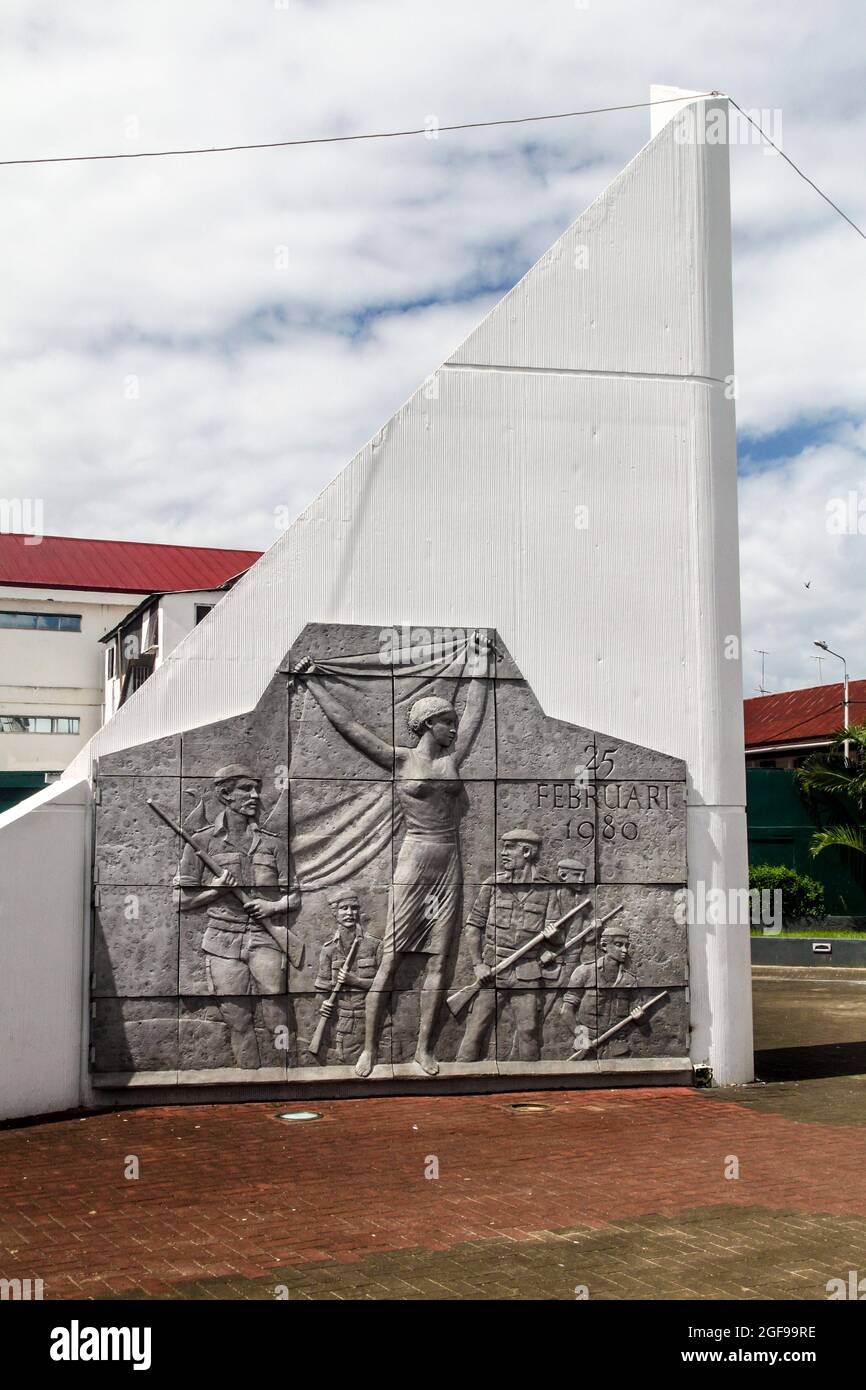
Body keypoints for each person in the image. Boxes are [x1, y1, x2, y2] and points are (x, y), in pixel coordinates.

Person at [293, 640, 493, 1076]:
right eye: (446, 722)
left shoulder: (452, 760)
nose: (454, 729)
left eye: (453, 722)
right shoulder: (400, 760)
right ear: (426, 724)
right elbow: (350, 727)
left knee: (440, 958)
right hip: (415, 858)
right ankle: (369, 1049)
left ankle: (425, 1048)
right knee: (392, 956)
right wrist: (313, 683)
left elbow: (476, 712)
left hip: (448, 861)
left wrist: (479, 666)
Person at [174, 765, 300, 1068]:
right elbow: (179, 899)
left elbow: (295, 894)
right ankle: (250, 1076)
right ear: (225, 794)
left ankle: (288, 1071)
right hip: (221, 941)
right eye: (246, 789)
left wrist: (273, 907)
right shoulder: (201, 843)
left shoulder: (273, 843)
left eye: (256, 789)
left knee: (277, 1013)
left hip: (265, 937)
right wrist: (214, 891)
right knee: (238, 1019)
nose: (255, 795)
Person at [456, 828, 561, 1063]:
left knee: (529, 1031)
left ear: (526, 851)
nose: (503, 853)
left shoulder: (547, 889)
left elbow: (556, 939)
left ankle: (531, 1084)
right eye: (503, 847)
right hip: (493, 970)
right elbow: (473, 927)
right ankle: (460, 1078)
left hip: (527, 971)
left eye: (509, 848)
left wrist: (552, 939)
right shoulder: (492, 885)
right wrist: (477, 965)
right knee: (475, 1030)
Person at [314, 889, 383, 1065]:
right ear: (335, 913)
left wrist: (357, 981)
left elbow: (387, 987)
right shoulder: (328, 950)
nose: (349, 913)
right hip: (345, 1026)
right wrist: (322, 1005)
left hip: (376, 1024)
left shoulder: (375, 945)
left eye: (354, 908)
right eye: (344, 908)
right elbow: (321, 992)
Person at [562, 922, 638, 1058]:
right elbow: (566, 1011)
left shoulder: (629, 980)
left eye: (627, 946)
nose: (625, 950)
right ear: (604, 946)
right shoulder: (584, 972)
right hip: (587, 1046)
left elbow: (637, 1015)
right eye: (619, 945)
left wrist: (640, 1017)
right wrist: (582, 1038)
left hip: (617, 1047)